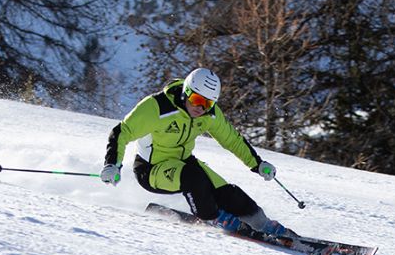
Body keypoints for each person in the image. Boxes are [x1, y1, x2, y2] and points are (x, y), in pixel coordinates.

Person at [100, 67, 292, 236]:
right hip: (151, 170)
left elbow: (232, 139)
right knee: (194, 178)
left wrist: (257, 164)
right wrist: (112, 164)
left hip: (183, 162)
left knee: (227, 192)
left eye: (207, 104)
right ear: (186, 92)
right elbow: (121, 132)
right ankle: (212, 217)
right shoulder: (157, 107)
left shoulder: (210, 114)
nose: (201, 108)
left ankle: (263, 225)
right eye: (197, 100)